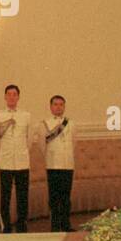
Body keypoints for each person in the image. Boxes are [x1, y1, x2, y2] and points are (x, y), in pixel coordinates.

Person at [0, 85, 37, 233]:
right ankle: (6, 225)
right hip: (5, 161)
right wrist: (3, 152)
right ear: (5, 97)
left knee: (22, 195)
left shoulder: (26, 116)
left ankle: (22, 223)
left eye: (14, 94)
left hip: (22, 161)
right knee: (5, 195)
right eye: (9, 94)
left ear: (18, 97)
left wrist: (22, 151)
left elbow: (29, 139)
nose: (12, 97)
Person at [43, 95, 75, 232]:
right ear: (51, 107)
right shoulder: (45, 123)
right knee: (54, 197)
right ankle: (55, 226)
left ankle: (66, 225)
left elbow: (74, 143)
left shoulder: (71, 124)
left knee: (66, 197)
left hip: (67, 163)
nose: (58, 107)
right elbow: (42, 145)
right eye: (55, 104)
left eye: (61, 104)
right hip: (53, 164)